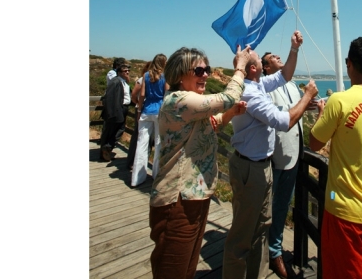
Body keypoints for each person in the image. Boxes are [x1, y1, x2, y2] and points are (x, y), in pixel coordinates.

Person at [148, 45, 253, 279]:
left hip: (194, 196)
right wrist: (240, 66)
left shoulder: (191, 105)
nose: (205, 74)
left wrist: (231, 113)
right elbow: (228, 97)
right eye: (198, 71)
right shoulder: (179, 101)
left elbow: (213, 124)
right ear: (179, 75)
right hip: (177, 199)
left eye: (207, 69)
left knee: (187, 269)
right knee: (172, 271)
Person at [222, 31, 319, 279]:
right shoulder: (250, 92)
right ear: (255, 69)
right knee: (242, 236)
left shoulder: (256, 85)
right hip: (250, 169)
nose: (252, 49)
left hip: (260, 166)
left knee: (260, 229)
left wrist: (294, 49)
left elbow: (285, 75)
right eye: (253, 54)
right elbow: (283, 121)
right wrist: (308, 96)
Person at [309, 37, 362, 279]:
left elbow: (314, 143)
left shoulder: (339, 100)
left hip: (344, 209)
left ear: (349, 63)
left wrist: (322, 114)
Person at [261, 50, 324, 279]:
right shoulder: (265, 87)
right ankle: (270, 252)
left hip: (294, 155)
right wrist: (306, 97)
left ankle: (273, 249)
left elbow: (298, 107)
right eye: (272, 57)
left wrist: (316, 104)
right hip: (277, 156)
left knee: (283, 205)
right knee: (271, 206)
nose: (277, 56)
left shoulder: (291, 85)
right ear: (266, 67)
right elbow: (282, 118)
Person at [131, 54, 168, 187]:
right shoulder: (165, 77)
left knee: (141, 144)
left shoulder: (146, 76)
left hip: (146, 111)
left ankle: (137, 178)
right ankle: (156, 175)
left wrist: (139, 110)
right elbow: (166, 95)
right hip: (159, 112)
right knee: (158, 143)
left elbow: (141, 95)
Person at [99, 58, 131, 162]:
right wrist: (112, 113)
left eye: (128, 71)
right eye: (125, 71)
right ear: (119, 72)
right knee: (112, 131)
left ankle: (107, 149)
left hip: (123, 109)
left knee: (119, 129)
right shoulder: (115, 81)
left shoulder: (124, 82)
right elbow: (109, 98)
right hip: (117, 110)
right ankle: (106, 149)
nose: (127, 72)